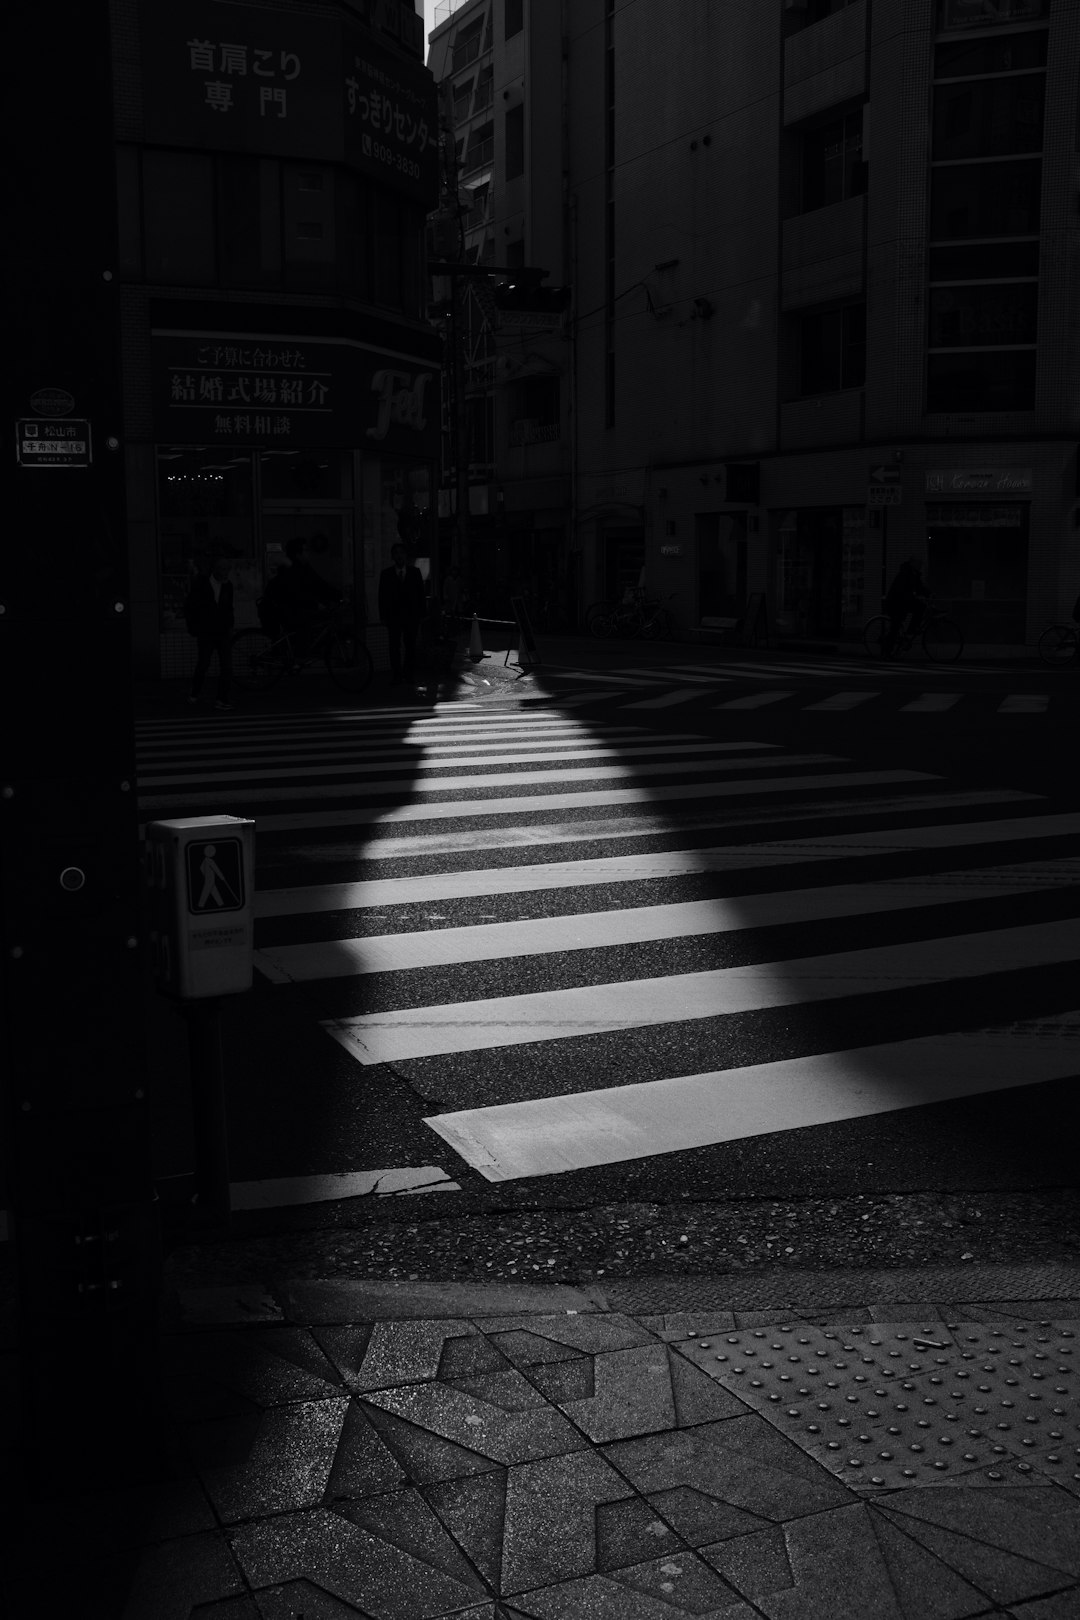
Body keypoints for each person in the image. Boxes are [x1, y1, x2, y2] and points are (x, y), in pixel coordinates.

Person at [184, 554, 235, 709]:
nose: (225, 572)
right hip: (206, 630)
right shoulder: (202, 583)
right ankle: (196, 692)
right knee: (204, 663)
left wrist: (230, 625)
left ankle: (221, 698)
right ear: (215, 569)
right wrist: (194, 628)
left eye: (227, 569)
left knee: (226, 665)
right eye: (222, 569)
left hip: (222, 630)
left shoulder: (228, 586)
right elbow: (191, 606)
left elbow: (228, 608)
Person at [277, 535, 340, 650]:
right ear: (297, 553)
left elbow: (319, 584)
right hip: (288, 611)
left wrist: (338, 595)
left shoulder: (304, 567)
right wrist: (316, 604)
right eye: (305, 550)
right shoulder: (291, 570)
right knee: (304, 630)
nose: (308, 553)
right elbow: (296, 594)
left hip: (297, 609)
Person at [378, 541, 427, 684]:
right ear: (392, 556)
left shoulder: (415, 572)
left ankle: (408, 672)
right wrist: (383, 616)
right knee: (394, 646)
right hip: (394, 616)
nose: (399, 556)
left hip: (411, 616)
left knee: (410, 645)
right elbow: (382, 597)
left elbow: (420, 594)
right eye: (396, 553)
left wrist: (422, 613)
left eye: (401, 553)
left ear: (405, 556)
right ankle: (397, 673)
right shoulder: (386, 574)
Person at [883, 556, 929, 651]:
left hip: (903, 602)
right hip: (895, 604)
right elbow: (903, 592)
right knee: (895, 627)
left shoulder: (914, 574)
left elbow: (919, 587)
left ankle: (910, 632)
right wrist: (915, 598)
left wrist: (929, 594)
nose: (920, 566)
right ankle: (887, 652)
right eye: (919, 563)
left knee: (920, 607)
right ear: (913, 563)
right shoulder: (905, 573)